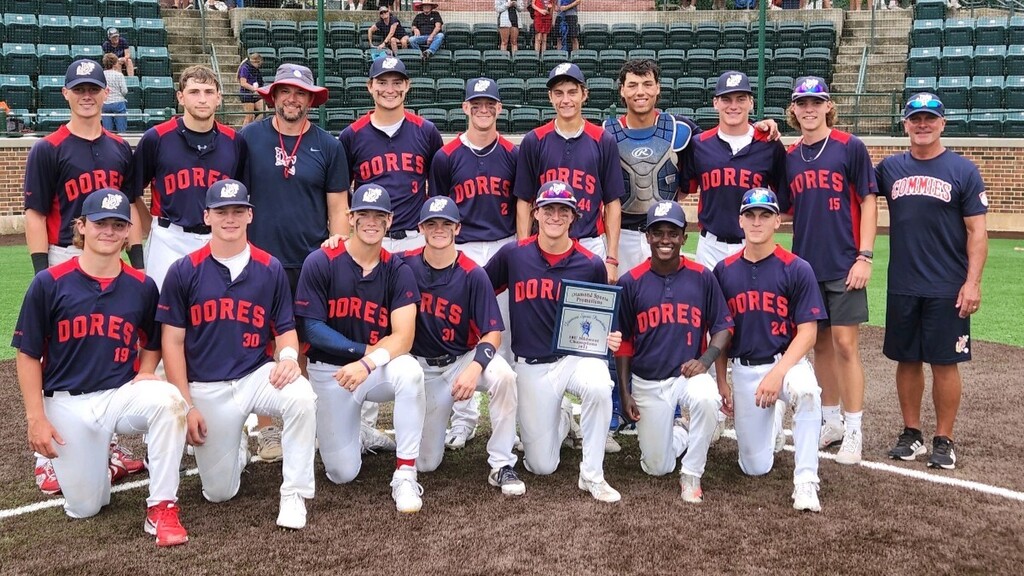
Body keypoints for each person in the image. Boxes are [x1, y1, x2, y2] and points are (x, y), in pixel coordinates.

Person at [12, 188, 189, 546]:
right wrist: (36, 418)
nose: (108, 231)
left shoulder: (142, 287)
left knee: (169, 401)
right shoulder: (49, 283)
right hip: (66, 402)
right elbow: (28, 353)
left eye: (117, 224)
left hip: (118, 396)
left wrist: (146, 369)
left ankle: (163, 508)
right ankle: (106, 466)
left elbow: (152, 340)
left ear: (128, 232)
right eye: (100, 223)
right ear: (81, 226)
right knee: (86, 507)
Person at [159, 179, 318, 530]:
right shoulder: (184, 270)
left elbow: (285, 329)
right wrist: (186, 405)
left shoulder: (269, 267)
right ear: (207, 216)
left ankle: (294, 493)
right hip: (207, 385)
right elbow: (171, 344)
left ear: (250, 215)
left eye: (237, 211)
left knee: (302, 396)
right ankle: (237, 447)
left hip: (255, 374)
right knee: (219, 493)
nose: (229, 219)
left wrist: (289, 357)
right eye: (221, 212)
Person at [23, 60, 144, 495]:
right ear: (66, 94)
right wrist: (45, 273)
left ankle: (104, 444)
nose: (88, 95)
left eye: (94, 88)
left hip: (110, 256)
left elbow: (130, 208)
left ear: (105, 93)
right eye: (80, 89)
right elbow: (35, 214)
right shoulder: (48, 148)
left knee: (107, 346)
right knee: (54, 349)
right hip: (62, 255)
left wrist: (139, 258)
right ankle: (46, 456)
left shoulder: (118, 148)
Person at [485, 180, 623, 503]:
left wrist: (610, 336)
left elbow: (601, 318)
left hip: (574, 358)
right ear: (536, 213)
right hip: (531, 365)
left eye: (564, 210)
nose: (555, 216)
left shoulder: (590, 264)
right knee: (541, 466)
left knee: (600, 385)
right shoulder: (513, 255)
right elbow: (481, 288)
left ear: (574, 217)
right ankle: (561, 420)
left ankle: (592, 475)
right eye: (549, 208)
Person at [238, 63, 349, 460]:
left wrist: (336, 248)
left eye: (301, 93)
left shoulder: (328, 145)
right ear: (273, 96)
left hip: (310, 263)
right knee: (261, 344)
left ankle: (301, 420)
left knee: (303, 345)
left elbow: (338, 206)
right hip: (258, 262)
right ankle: (267, 430)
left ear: (311, 99)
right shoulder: (248, 139)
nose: (292, 99)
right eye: (285, 91)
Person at [295, 184, 427, 513]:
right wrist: (363, 352)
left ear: (389, 220)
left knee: (410, 372)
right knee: (342, 473)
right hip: (331, 371)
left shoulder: (398, 269)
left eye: (379, 216)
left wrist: (368, 363)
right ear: (350, 218)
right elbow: (311, 328)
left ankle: (406, 474)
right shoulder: (321, 260)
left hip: (373, 368)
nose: (371, 222)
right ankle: (360, 433)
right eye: (364, 215)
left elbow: (404, 337)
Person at [876, 93, 988, 470]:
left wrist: (972, 283)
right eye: (915, 119)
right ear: (904, 124)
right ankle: (912, 434)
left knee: (944, 362)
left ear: (943, 123)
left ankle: (944, 439)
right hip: (904, 283)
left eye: (929, 119)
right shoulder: (890, 168)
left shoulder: (963, 170)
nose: (922, 125)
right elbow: (852, 190)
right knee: (906, 360)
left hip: (947, 285)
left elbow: (977, 232)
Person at [782, 76, 878, 464]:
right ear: (793, 110)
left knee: (845, 345)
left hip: (844, 263)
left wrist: (865, 256)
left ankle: (854, 429)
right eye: (801, 103)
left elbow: (869, 201)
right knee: (818, 344)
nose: (809, 109)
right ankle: (831, 420)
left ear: (828, 106)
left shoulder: (849, 147)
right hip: (807, 266)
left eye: (815, 102)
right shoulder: (790, 157)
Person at [403, 196, 526, 495]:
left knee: (505, 376)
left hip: (463, 357)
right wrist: (336, 242)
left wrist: (474, 368)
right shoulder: (403, 264)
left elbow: (493, 332)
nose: (439, 229)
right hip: (424, 366)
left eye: (446, 223)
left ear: (458, 228)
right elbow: (364, 259)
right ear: (421, 228)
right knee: (427, 463)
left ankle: (501, 463)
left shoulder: (473, 273)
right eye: (432, 223)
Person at [713, 188, 825, 513]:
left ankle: (806, 483)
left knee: (807, 393)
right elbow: (721, 333)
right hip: (745, 369)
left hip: (786, 362)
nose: (757, 221)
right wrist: (723, 381)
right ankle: (773, 417)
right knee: (754, 467)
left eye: (765, 215)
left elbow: (808, 333)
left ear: (778, 220)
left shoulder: (797, 267)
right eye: (750, 215)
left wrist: (778, 374)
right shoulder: (723, 270)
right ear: (740, 221)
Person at [615, 200, 733, 503]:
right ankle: (683, 429)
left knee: (707, 398)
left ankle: (692, 472)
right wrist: (626, 391)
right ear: (647, 236)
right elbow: (625, 341)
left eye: (672, 233)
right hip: (648, 381)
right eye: (657, 233)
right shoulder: (631, 282)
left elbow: (723, 326)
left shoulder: (702, 276)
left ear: (684, 237)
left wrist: (705, 360)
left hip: (686, 375)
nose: (664, 240)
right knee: (657, 467)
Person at [428, 77, 518, 448]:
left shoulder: (513, 153)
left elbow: (522, 204)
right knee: (460, 333)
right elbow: (439, 212)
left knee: (506, 336)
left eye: (490, 104)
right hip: (462, 249)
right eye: (476, 104)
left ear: (499, 109)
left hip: (503, 243)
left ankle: (507, 429)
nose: (483, 110)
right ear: (465, 107)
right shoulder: (446, 156)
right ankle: (463, 419)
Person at [130, 64, 243, 292]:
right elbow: (131, 194)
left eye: (209, 92)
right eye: (194, 92)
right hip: (169, 238)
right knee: (161, 314)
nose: (202, 99)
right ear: (180, 97)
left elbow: (242, 199)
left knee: (213, 315)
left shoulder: (234, 141)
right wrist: (152, 226)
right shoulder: (157, 138)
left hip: (218, 238)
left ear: (219, 98)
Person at [678, 71, 788, 270]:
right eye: (726, 99)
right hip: (710, 246)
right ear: (715, 103)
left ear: (751, 103)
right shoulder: (699, 145)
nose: (734, 106)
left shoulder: (769, 144)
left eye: (741, 99)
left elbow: (786, 200)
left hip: (752, 245)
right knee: (708, 302)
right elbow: (683, 191)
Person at [339, 56, 444, 255]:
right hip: (370, 238)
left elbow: (438, 188)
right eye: (382, 82)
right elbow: (341, 191)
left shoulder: (426, 131)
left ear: (407, 86)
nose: (390, 90)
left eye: (397, 83)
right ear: (370, 86)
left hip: (415, 239)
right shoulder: (351, 135)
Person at [100, 54, 128, 134]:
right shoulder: (119, 75)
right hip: (118, 103)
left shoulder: (101, 75)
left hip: (105, 104)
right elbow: (124, 91)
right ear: (115, 63)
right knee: (121, 131)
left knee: (107, 132)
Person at [237, 52, 265, 126]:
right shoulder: (245, 68)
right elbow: (243, 83)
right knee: (249, 117)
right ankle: (243, 134)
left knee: (265, 112)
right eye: (258, 64)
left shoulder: (255, 70)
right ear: (255, 61)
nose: (259, 66)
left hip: (255, 94)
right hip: (247, 94)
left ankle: (252, 127)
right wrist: (255, 89)